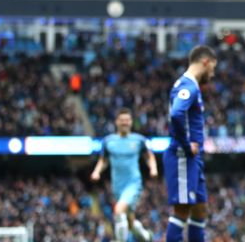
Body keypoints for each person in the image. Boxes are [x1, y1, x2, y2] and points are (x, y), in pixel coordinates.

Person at [163, 45, 217, 242]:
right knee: (182, 210)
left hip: (193, 159)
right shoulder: (188, 86)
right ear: (205, 62)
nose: (212, 74)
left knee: (200, 209)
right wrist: (187, 145)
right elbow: (176, 113)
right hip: (183, 156)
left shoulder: (190, 85)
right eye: (213, 68)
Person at [91, 108, 157, 242]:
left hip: (133, 183)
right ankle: (146, 237)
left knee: (119, 210)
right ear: (117, 122)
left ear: (131, 122)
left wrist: (153, 168)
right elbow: (103, 160)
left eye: (127, 120)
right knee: (129, 220)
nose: (124, 123)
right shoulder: (108, 141)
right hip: (117, 186)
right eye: (122, 120)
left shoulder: (139, 140)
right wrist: (97, 171)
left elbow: (149, 156)